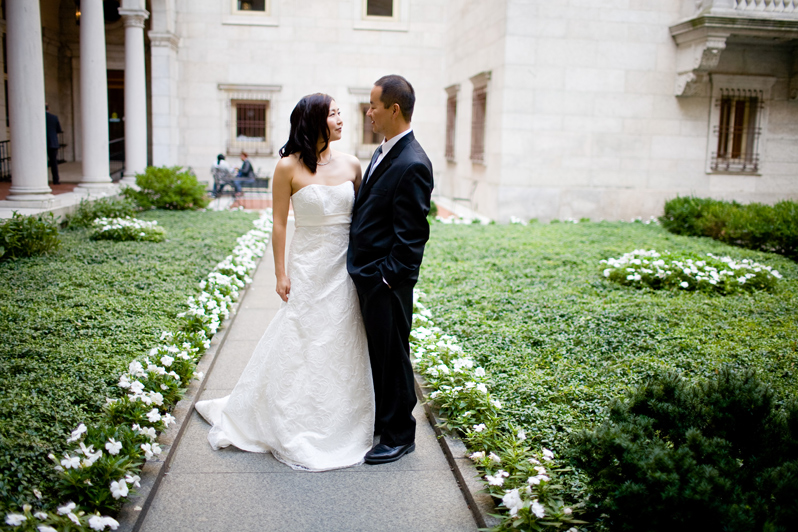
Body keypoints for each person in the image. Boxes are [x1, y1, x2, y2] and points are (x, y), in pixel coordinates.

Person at [195, 94, 375, 471]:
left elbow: (364, 219)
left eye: (342, 112)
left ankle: (343, 415)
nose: (342, 119)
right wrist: (280, 272)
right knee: (304, 337)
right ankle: (293, 415)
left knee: (341, 336)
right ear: (314, 121)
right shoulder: (286, 168)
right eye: (334, 114)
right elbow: (279, 223)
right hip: (308, 266)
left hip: (344, 267)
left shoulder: (353, 164)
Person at [347, 75, 434, 464]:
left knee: (394, 356)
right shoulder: (384, 150)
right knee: (379, 356)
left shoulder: (414, 162)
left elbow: (412, 237)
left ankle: (400, 435)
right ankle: (384, 421)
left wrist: (384, 278)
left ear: (393, 109)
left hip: (386, 283)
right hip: (368, 276)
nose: (369, 113)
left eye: (373, 106)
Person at [45, 104, 63, 185]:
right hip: (53, 143)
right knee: (54, 163)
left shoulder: (39, 118)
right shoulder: (54, 117)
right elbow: (59, 129)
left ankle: (43, 180)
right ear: (48, 108)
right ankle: (56, 180)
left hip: (43, 143)